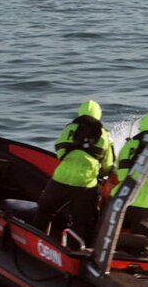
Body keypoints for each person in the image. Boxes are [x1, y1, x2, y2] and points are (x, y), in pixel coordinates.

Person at [33, 100, 114, 245]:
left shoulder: (69, 129)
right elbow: (107, 166)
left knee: (45, 210)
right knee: (83, 222)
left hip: (60, 180)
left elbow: (60, 151)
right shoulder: (104, 135)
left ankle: (38, 242)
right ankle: (75, 251)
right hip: (86, 185)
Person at [112, 111, 148, 241]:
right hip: (147, 205)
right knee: (143, 245)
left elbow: (119, 171)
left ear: (141, 126)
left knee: (111, 239)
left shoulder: (129, 145)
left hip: (121, 200)